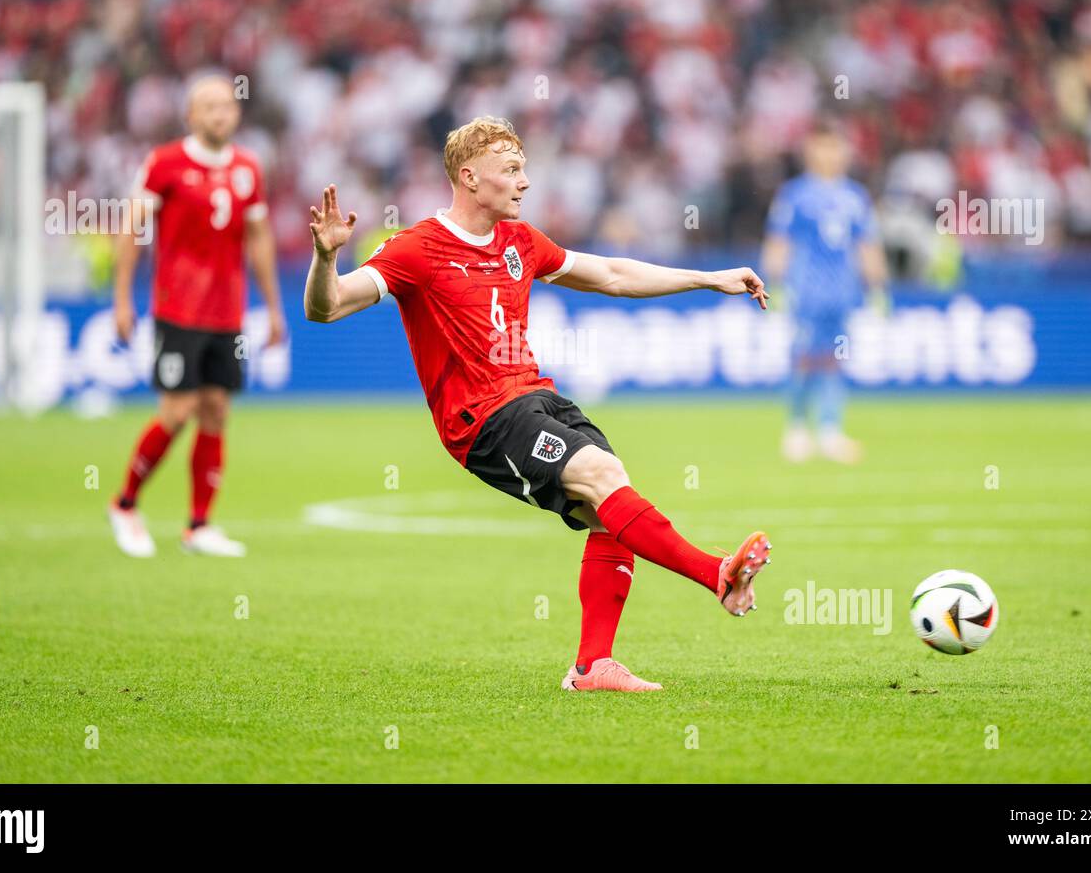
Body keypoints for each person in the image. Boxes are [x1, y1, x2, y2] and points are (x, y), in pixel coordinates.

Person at [303, 116, 772, 693]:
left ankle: (591, 666)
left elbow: (613, 275)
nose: (525, 182)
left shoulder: (520, 242)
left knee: (612, 505)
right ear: (470, 177)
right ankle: (717, 575)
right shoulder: (417, 248)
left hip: (536, 398)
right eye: (512, 170)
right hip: (483, 420)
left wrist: (708, 279)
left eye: (524, 169)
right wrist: (326, 258)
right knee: (601, 474)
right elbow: (326, 308)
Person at [107, 75, 285, 558]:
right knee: (177, 410)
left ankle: (199, 525)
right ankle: (124, 504)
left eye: (227, 106)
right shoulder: (165, 163)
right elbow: (131, 229)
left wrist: (272, 309)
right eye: (209, 107)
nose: (220, 114)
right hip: (177, 309)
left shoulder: (248, 169)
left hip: (227, 313)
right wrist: (122, 299)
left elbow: (260, 240)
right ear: (190, 115)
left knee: (216, 412)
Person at [761, 120, 888, 464]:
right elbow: (779, 243)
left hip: (842, 293)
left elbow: (867, 245)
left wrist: (877, 288)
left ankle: (831, 430)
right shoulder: (795, 195)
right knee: (804, 358)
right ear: (810, 150)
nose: (831, 154)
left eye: (836, 146)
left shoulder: (855, 197)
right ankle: (797, 428)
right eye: (823, 146)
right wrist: (776, 287)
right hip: (806, 291)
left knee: (834, 361)